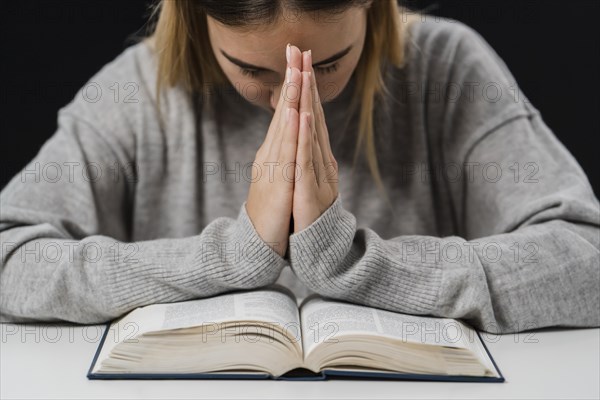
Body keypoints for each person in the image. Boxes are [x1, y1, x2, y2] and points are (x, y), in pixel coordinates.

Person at [1, 0, 598, 334]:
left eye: (329, 63)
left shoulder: (447, 68)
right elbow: (11, 256)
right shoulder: (139, 91)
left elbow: (587, 256)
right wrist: (228, 256)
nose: (293, 97)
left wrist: (361, 263)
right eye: (254, 71)